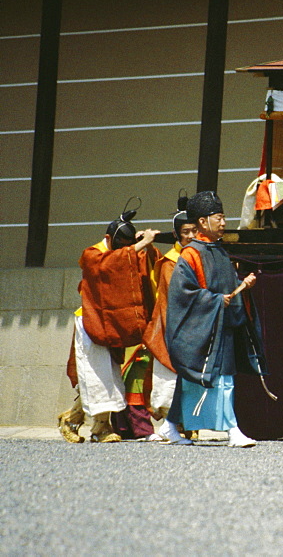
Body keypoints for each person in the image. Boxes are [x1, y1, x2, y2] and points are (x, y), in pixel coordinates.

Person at [165, 191, 268, 448]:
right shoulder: (190, 254)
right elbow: (183, 293)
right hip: (203, 326)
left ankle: (169, 425)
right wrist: (212, 300)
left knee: (214, 379)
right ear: (203, 222)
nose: (223, 223)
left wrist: (243, 286)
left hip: (223, 325)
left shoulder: (219, 251)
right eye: (218, 218)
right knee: (214, 380)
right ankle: (232, 430)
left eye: (223, 218)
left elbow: (229, 287)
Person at [57, 201, 160, 443]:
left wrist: (145, 246)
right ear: (107, 237)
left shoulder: (128, 251)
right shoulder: (92, 254)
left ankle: (71, 420)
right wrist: (136, 248)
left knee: (108, 376)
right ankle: (99, 430)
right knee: (96, 375)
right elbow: (109, 264)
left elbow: (143, 264)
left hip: (114, 323)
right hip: (91, 322)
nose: (125, 250)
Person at [143, 195, 198, 443]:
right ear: (177, 235)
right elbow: (172, 301)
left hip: (192, 327)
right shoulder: (169, 262)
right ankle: (170, 424)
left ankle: (186, 423)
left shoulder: (196, 256)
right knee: (169, 379)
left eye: (195, 231)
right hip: (171, 326)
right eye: (186, 232)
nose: (191, 236)